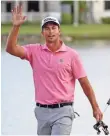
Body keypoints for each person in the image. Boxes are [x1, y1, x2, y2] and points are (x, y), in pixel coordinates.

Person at [6, 5, 103, 135]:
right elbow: (11, 49)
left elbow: (84, 83)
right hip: (42, 112)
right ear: (42, 33)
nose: (50, 31)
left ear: (59, 31)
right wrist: (16, 26)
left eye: (53, 28)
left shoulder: (72, 55)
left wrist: (95, 107)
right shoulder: (34, 51)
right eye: (46, 28)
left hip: (63, 111)